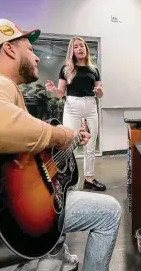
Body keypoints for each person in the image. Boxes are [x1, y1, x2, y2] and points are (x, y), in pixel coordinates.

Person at [0, 19, 121, 271]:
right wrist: (60, 135)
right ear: (10, 50)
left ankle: (54, 250)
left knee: (64, 187)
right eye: (30, 50)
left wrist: (65, 138)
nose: (36, 58)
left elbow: (14, 138)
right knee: (109, 211)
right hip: (6, 212)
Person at [45, 37, 106, 192]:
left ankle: (89, 179)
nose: (79, 49)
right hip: (72, 107)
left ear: (85, 48)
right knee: (68, 143)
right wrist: (53, 89)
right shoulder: (66, 69)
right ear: (72, 51)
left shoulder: (94, 70)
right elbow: (60, 94)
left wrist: (99, 91)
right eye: (76, 47)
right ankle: (65, 179)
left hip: (91, 106)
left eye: (82, 46)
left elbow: (100, 93)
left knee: (90, 145)